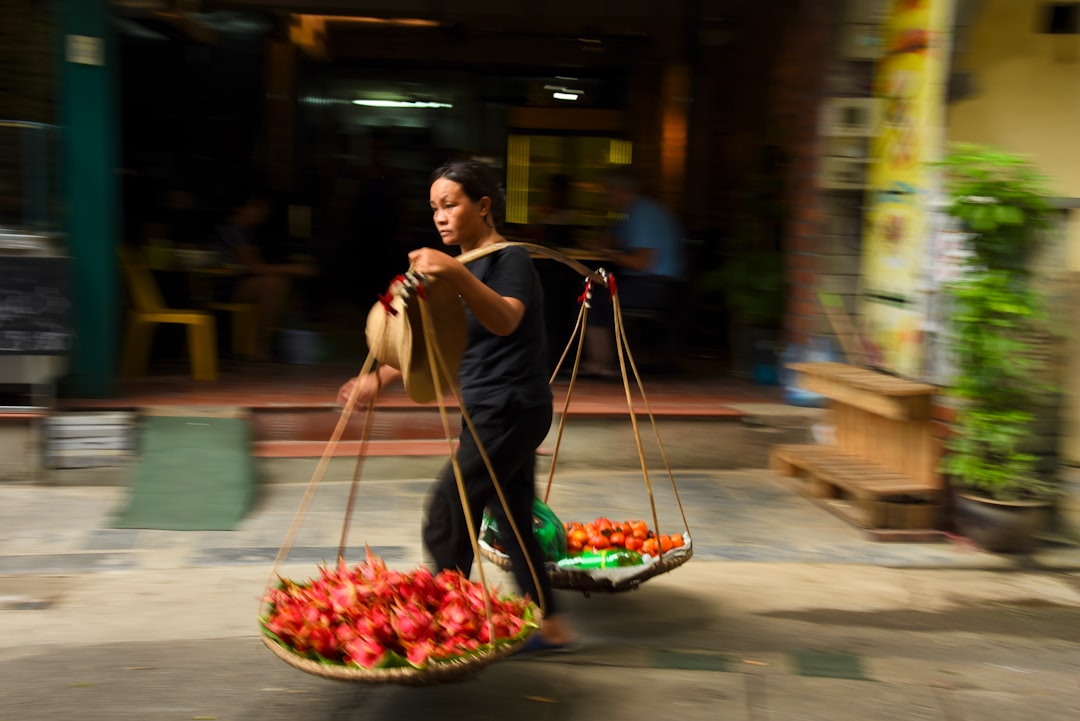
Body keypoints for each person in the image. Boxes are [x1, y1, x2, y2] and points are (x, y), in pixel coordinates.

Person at [337, 159, 575, 652]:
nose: (441, 217)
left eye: (451, 205)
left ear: (483, 206)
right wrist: (376, 380)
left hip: (514, 407)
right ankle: (549, 624)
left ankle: (450, 621)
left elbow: (507, 319)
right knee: (511, 518)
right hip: (486, 410)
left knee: (448, 510)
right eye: (434, 208)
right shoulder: (457, 272)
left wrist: (449, 272)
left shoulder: (510, 261)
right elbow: (441, 343)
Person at [582, 166, 688, 377]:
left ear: (621, 191)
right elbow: (613, 238)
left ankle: (601, 363)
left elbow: (642, 263)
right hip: (657, 284)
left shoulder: (644, 214)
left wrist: (606, 252)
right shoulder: (633, 213)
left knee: (591, 297)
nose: (605, 197)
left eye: (607, 192)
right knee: (593, 291)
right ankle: (603, 361)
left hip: (656, 286)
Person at [209, 188, 318, 361]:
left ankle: (278, 343)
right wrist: (296, 268)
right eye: (257, 207)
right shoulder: (231, 230)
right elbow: (256, 267)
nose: (263, 212)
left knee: (280, 286)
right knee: (274, 284)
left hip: (236, 286)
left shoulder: (247, 232)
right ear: (239, 208)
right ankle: (259, 346)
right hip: (218, 287)